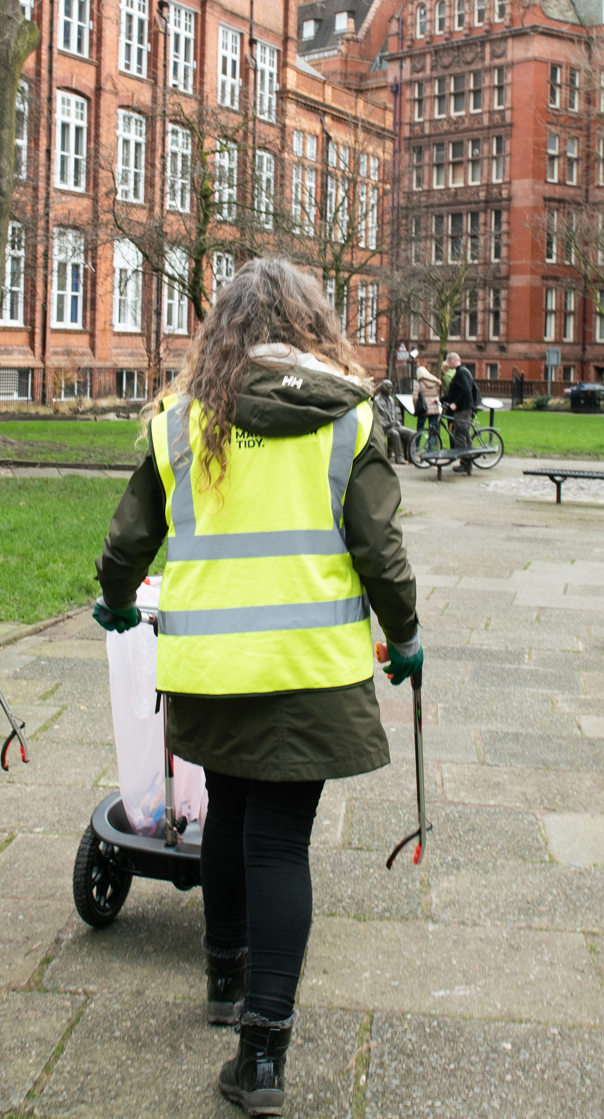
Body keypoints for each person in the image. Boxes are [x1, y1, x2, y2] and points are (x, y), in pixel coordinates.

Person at [93, 259, 420, 1118]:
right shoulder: (348, 418)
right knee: (278, 841)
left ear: (222, 328)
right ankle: (263, 1053)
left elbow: (129, 538)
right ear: (312, 324)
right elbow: (381, 550)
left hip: (209, 669)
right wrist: (407, 636)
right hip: (308, 670)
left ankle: (222, 976)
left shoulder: (181, 419)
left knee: (230, 815)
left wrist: (118, 602)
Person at [440, 351, 479, 475]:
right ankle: (468, 463)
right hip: (466, 408)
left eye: (448, 362)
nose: (448, 365)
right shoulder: (464, 371)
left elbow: (466, 391)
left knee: (460, 435)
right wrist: (441, 399)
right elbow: (455, 393)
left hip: (462, 409)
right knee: (465, 435)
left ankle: (464, 464)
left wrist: (456, 404)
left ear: (452, 362)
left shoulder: (460, 373)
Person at [373, 378, 418, 464]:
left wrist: (395, 422)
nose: (391, 390)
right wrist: (387, 424)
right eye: (389, 388)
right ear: (383, 388)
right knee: (395, 434)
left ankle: (411, 456)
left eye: (391, 388)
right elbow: (376, 417)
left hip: (393, 425)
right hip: (384, 427)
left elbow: (394, 414)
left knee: (411, 433)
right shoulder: (376, 401)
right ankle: (399, 457)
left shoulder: (391, 400)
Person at [412, 364, 442, 442]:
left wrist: (416, 407)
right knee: (432, 430)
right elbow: (438, 394)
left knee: (419, 429)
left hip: (423, 408)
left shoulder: (419, 382)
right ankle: (430, 449)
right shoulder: (435, 381)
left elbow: (415, 397)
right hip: (434, 408)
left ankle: (416, 446)